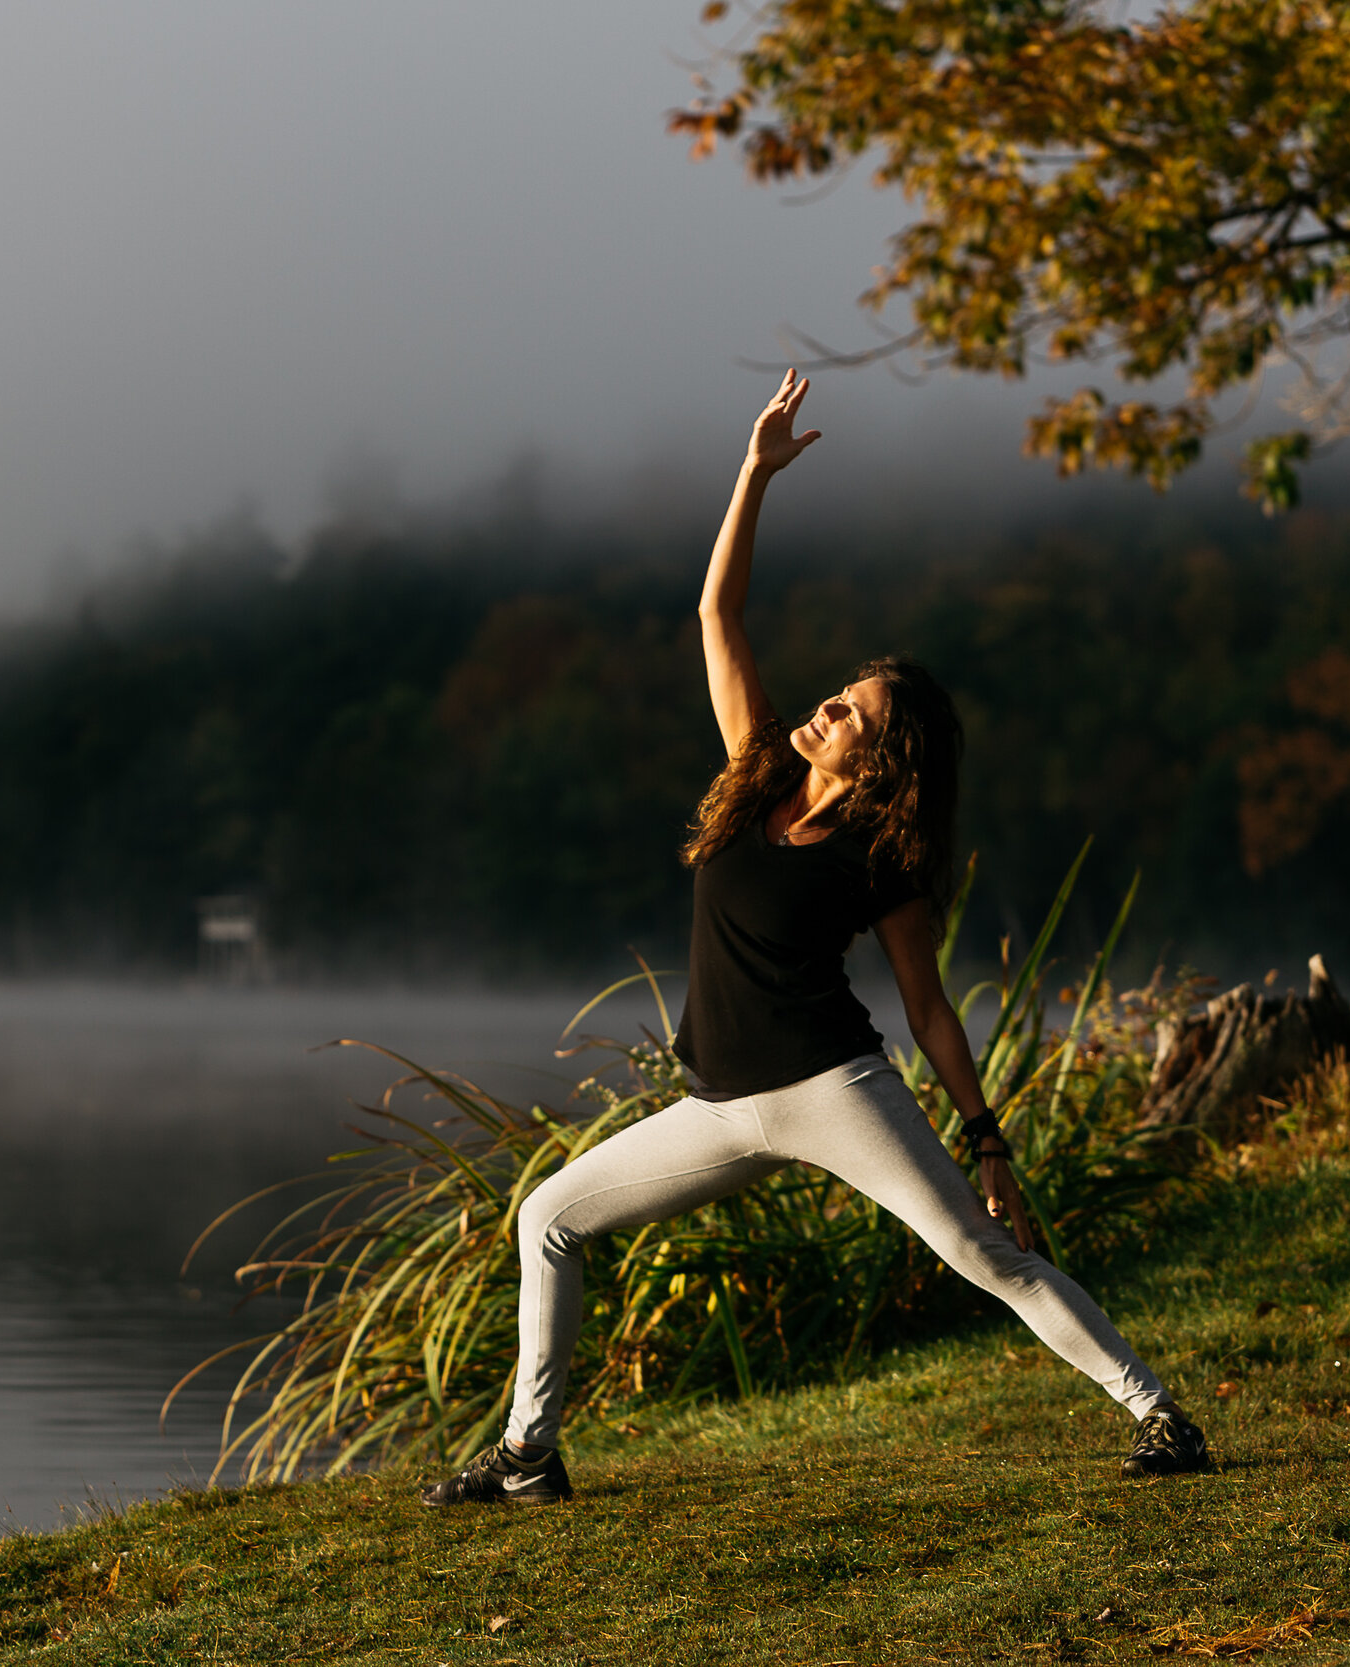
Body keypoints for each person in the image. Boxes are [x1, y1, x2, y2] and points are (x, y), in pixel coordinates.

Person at [421, 372, 1208, 1506]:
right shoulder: (751, 779)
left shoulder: (882, 860)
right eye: (838, 692)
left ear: (880, 762)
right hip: (716, 1106)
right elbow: (716, 617)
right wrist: (753, 476)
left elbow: (926, 1006)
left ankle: (1158, 1414)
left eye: (852, 712)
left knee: (982, 1256)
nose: (826, 707)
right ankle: (528, 1454)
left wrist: (985, 1137)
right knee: (547, 1215)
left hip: (832, 1087)